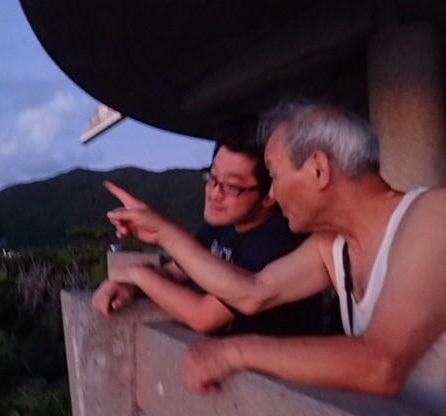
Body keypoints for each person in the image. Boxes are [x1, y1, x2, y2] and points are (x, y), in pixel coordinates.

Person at [105, 101, 446, 414]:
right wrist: (161, 233)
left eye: (276, 174)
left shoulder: (434, 213)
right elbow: (252, 292)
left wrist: (235, 352)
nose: (272, 193)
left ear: (318, 170)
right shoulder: (332, 245)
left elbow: (381, 365)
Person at [94, 122, 328, 336]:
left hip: (270, 368)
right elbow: (174, 272)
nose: (215, 193)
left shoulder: (278, 241)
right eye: (213, 178)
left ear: (270, 194)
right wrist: (130, 286)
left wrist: (138, 272)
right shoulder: (221, 226)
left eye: (232, 186)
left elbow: (203, 316)